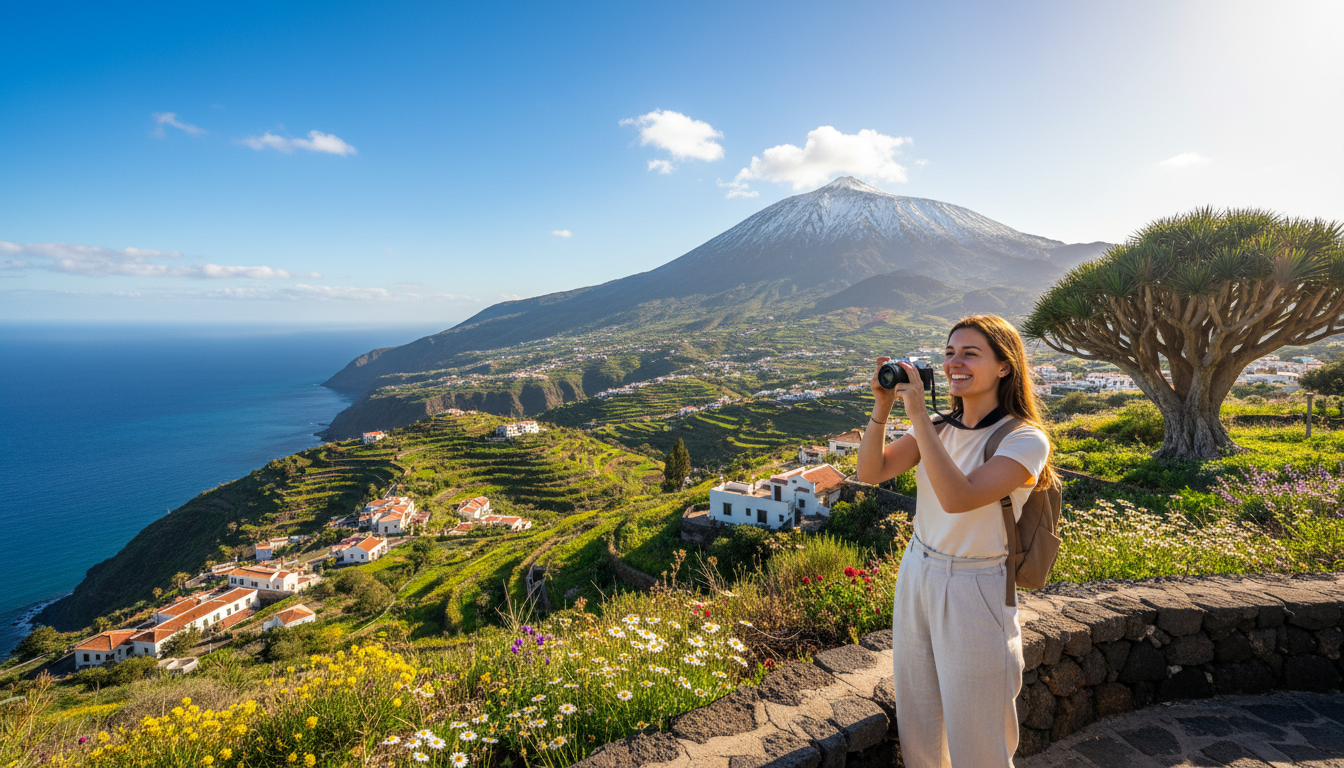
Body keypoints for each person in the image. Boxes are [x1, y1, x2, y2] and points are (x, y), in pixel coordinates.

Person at [856, 314, 1057, 767]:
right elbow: (869, 472)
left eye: (970, 353)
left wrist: (920, 418)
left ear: (1005, 366)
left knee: (978, 736)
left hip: (975, 583)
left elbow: (957, 498)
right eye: (949, 352)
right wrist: (882, 408)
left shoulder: (1024, 439)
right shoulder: (941, 425)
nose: (954, 363)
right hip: (918, 570)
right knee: (919, 723)